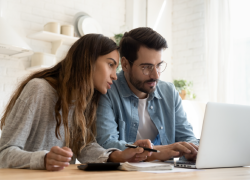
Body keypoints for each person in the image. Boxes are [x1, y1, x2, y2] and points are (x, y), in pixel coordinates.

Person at [0, 34, 152, 171]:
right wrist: (44, 159)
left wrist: (117, 156)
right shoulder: (39, 89)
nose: (115, 76)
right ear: (88, 60)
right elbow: (4, 153)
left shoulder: (85, 100)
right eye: (110, 64)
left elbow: (84, 147)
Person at [96, 27, 199, 162]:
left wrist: (192, 150)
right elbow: (106, 144)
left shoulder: (169, 92)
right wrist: (158, 151)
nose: (156, 75)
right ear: (126, 65)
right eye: (147, 67)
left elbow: (187, 136)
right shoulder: (107, 91)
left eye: (159, 65)